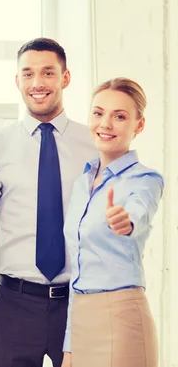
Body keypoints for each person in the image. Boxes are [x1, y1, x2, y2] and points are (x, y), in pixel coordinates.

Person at [0, 38, 98, 367]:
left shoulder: (94, 145)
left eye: (48, 73)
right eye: (28, 74)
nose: (37, 83)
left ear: (65, 78)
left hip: (80, 303)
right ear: (17, 81)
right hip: (15, 304)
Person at [62, 77, 163, 367]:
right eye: (98, 113)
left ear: (138, 126)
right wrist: (70, 344)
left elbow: (138, 212)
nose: (105, 124)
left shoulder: (144, 179)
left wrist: (126, 222)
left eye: (119, 116)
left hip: (122, 319)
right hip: (80, 319)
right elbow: (77, 268)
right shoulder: (82, 183)